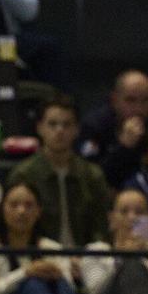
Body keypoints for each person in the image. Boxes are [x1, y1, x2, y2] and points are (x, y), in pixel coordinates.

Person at [9, 95, 111, 247]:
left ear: (77, 130)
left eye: (67, 124)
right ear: (39, 128)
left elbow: (101, 227)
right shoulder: (24, 174)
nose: (60, 131)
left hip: (87, 258)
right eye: (52, 124)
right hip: (40, 255)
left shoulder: (92, 175)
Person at [77, 71, 148, 190]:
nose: (138, 109)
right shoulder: (94, 127)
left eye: (145, 101)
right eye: (130, 100)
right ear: (114, 100)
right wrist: (123, 147)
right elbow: (89, 177)